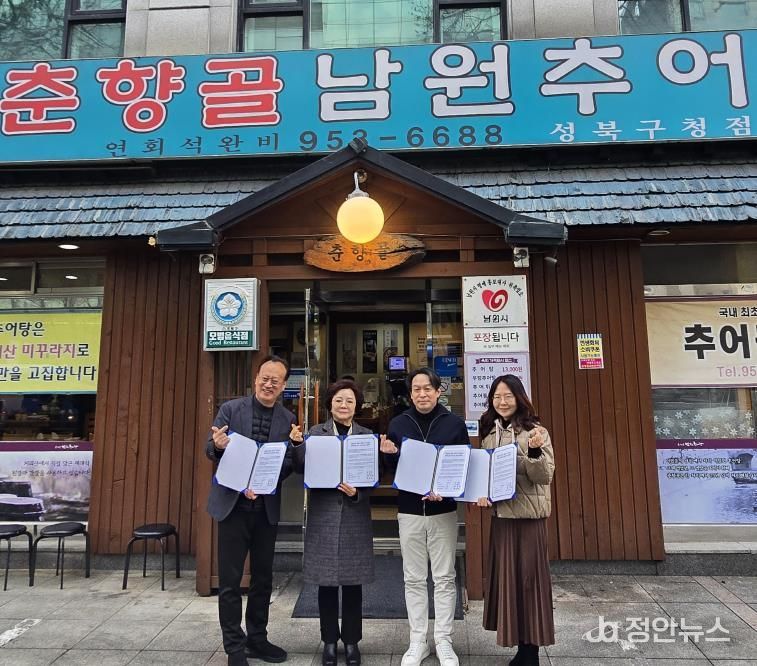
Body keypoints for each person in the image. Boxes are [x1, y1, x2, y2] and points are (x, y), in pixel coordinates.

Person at [206, 355, 296, 666]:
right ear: (255, 378)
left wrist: (266, 480)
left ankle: (257, 639)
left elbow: (288, 462)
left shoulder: (287, 418)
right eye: (264, 378)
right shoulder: (231, 410)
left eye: (275, 381)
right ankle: (234, 647)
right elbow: (210, 448)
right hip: (233, 507)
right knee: (230, 581)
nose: (269, 384)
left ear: (283, 386)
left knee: (263, 578)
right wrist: (218, 445)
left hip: (265, 509)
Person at [380, 368, 470, 666]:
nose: (421, 394)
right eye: (416, 389)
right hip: (409, 511)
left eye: (427, 388)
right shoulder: (398, 423)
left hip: (443, 510)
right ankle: (418, 640)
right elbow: (393, 467)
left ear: (438, 391)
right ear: (410, 394)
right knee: (414, 577)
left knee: (444, 577)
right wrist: (388, 453)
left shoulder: (454, 424)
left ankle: (444, 640)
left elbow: (461, 467)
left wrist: (445, 491)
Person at [290, 379, 375, 666]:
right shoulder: (316, 433)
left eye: (349, 400)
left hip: (354, 516)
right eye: (338, 400)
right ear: (330, 404)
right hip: (323, 515)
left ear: (357, 405)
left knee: (353, 584)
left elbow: (372, 477)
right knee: (325, 583)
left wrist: (357, 493)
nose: (344, 405)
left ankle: (351, 641)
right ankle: (328, 640)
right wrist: (297, 444)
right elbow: (300, 467)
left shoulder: (366, 436)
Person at [477, 375, 555, 666]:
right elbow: (485, 474)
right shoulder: (489, 433)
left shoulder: (536, 431)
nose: (502, 402)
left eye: (508, 396)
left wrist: (533, 451)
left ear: (519, 398)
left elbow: (544, 476)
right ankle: (520, 647)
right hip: (502, 519)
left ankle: (531, 652)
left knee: (529, 584)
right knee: (510, 583)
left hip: (528, 520)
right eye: (497, 396)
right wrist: (482, 493)